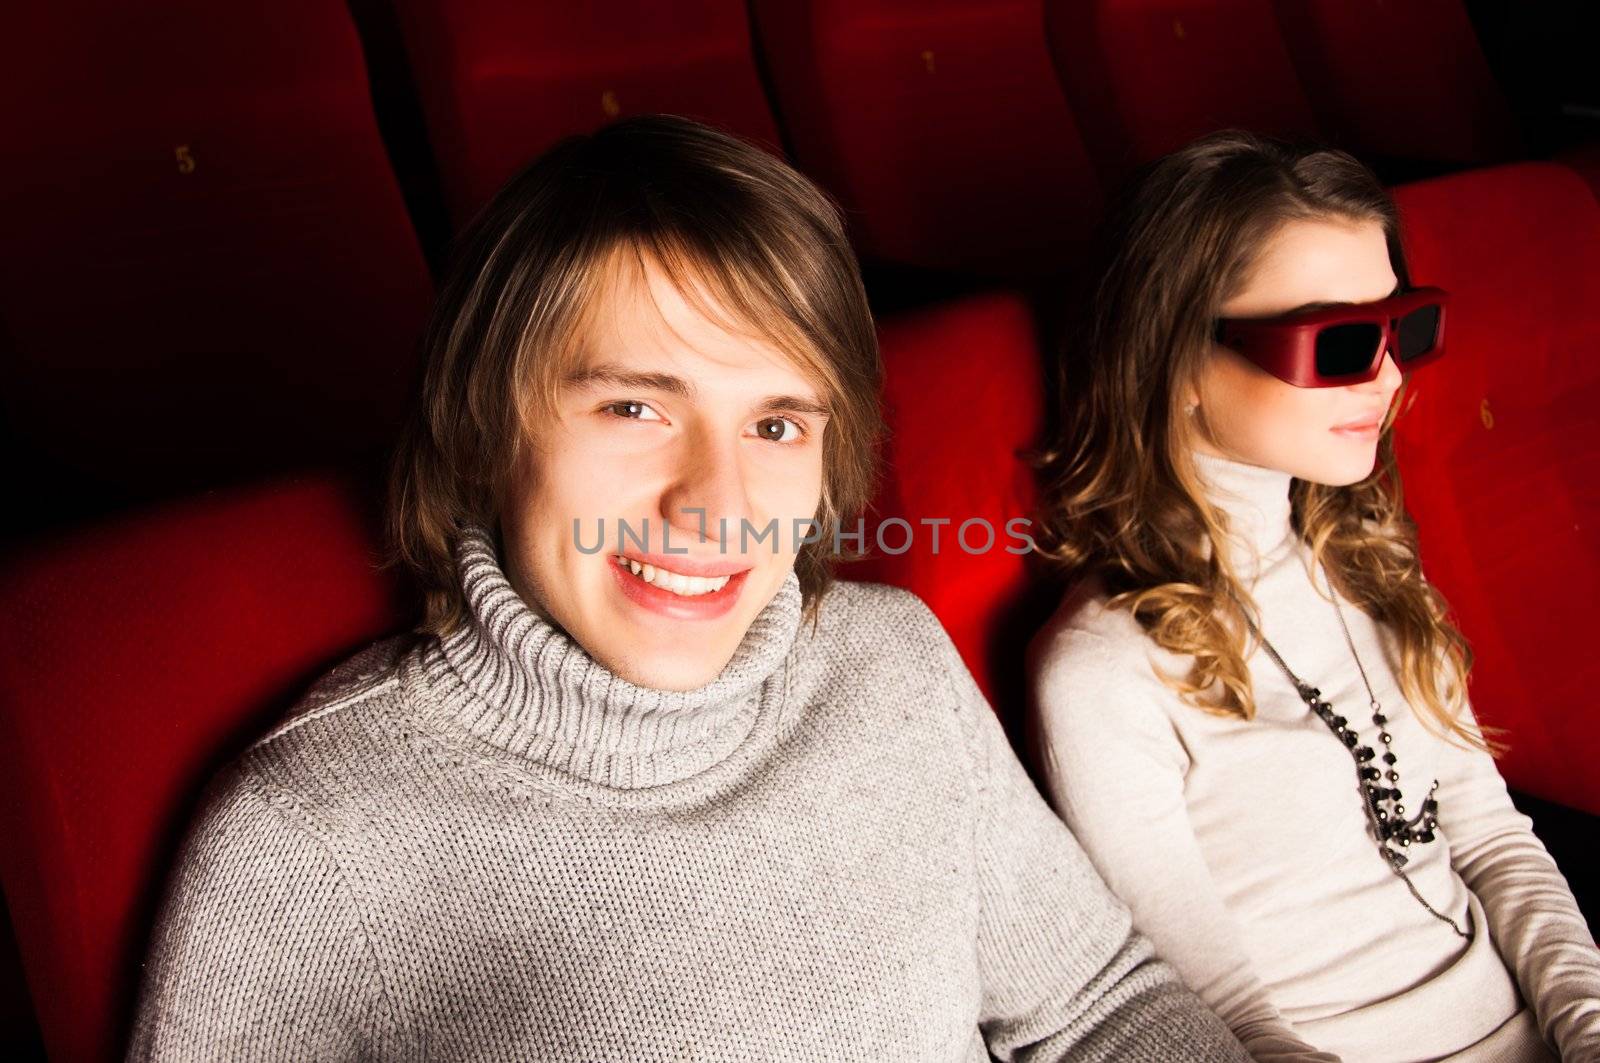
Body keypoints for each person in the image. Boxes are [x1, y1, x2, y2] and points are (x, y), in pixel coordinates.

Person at [127, 116, 1247, 1061]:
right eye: (634, 407)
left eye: (774, 423)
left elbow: (1104, 1003)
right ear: (483, 429)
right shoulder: (308, 842)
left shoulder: (891, 658)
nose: (716, 500)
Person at [1029, 129, 1600, 1062]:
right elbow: (1215, 1008)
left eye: (1403, 325)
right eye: (1337, 340)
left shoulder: (1368, 558)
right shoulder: (1100, 669)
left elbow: (1494, 841)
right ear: (1171, 361)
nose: (1388, 375)